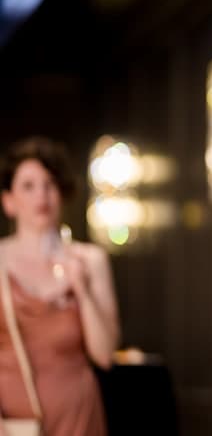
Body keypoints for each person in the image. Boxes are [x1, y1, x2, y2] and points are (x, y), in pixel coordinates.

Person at [0, 136, 119, 436]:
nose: (41, 194)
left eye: (50, 183)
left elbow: (104, 356)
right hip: (12, 422)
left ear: (62, 194)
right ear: (9, 201)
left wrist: (82, 288)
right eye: (28, 186)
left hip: (79, 417)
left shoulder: (90, 260)